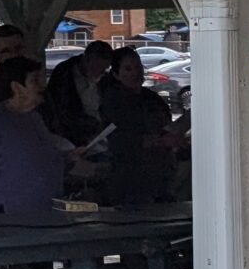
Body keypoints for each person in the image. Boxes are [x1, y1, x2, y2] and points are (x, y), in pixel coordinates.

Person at [0, 57, 71, 220]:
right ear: (17, 88)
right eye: (35, 81)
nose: (42, 86)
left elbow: (43, 158)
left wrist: (69, 157)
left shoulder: (35, 118)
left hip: (43, 213)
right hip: (8, 215)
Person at [95, 46, 179, 205]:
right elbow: (117, 138)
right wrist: (156, 141)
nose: (135, 73)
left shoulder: (152, 99)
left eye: (138, 67)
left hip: (161, 171)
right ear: (116, 74)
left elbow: (167, 123)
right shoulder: (112, 102)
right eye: (128, 69)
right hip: (129, 175)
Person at [44, 39, 114, 142]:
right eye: (100, 67)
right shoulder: (64, 75)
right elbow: (62, 111)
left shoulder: (104, 80)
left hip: (98, 135)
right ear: (88, 60)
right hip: (71, 136)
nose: (102, 72)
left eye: (105, 68)